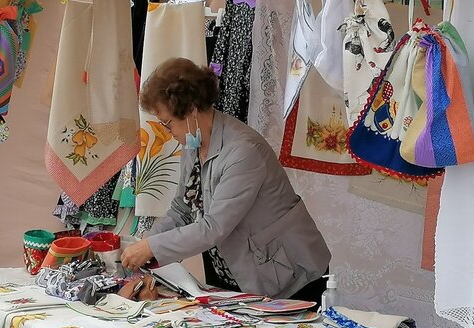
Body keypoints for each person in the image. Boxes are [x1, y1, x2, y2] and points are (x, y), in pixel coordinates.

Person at [120, 57, 331, 301]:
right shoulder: (194, 141)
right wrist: (149, 241)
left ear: (191, 110)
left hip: (288, 274)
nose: (168, 133)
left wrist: (152, 248)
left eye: (168, 125)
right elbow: (182, 209)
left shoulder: (243, 151)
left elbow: (214, 227)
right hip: (236, 270)